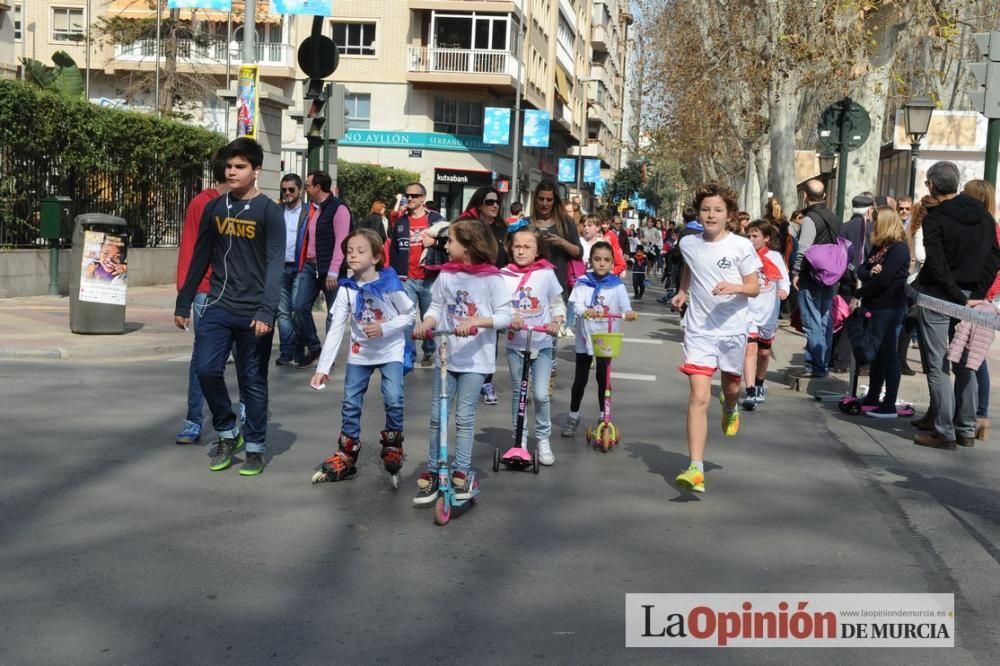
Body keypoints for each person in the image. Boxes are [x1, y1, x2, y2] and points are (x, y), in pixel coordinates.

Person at [174, 137, 284, 476]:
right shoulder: (215, 208)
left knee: (253, 380)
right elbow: (201, 256)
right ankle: (227, 430)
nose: (232, 171)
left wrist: (267, 311)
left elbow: (275, 263)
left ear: (256, 171)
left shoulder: (270, 211)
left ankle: (254, 447)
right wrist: (184, 299)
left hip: (254, 313)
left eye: (240, 167)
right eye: (229, 166)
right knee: (206, 369)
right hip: (218, 304)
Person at [412, 220, 512, 504]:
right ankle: (433, 471)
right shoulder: (447, 275)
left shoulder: (492, 278)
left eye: (451, 241)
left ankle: (460, 471)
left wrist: (478, 322)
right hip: (448, 355)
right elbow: (436, 306)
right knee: (437, 416)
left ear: (468, 247)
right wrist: (426, 323)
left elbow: (505, 315)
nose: (445, 246)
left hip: (476, 360)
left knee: (464, 418)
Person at [670, 182, 760, 493]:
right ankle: (695, 467)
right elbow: (691, 269)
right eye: (706, 209)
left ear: (729, 215)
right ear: (698, 213)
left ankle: (731, 406)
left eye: (717, 210)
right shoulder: (689, 244)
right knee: (698, 397)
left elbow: (754, 287)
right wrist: (683, 291)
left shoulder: (740, 246)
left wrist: (734, 287)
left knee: (732, 388)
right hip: (699, 330)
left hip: (732, 330)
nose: (711, 215)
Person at [309, 229, 416, 482]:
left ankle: (392, 444)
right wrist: (323, 367)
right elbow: (336, 328)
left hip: (390, 350)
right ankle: (346, 454)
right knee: (351, 402)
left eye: (360, 251)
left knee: (393, 397)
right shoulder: (347, 288)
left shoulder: (390, 284)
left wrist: (385, 328)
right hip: (361, 353)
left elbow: (409, 314)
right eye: (349, 251)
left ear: (376, 256)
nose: (353, 255)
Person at [914, 161, 1000, 450]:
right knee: (966, 363)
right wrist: (975, 292)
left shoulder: (935, 217)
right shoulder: (983, 215)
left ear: (932, 185)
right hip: (970, 295)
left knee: (938, 364)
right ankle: (964, 428)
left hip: (940, 295)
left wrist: (958, 295)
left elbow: (936, 262)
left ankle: (944, 431)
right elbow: (994, 256)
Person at [174, 152, 229, 445]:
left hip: (240, 292)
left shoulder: (251, 206)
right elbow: (190, 248)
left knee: (247, 360)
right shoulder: (202, 203)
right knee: (203, 358)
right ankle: (194, 419)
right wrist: (186, 294)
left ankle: (243, 417)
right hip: (207, 290)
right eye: (232, 166)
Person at [501, 224, 565, 465]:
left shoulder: (546, 273)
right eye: (517, 246)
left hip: (542, 342)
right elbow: (498, 307)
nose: (521, 251)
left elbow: (557, 303)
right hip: (516, 344)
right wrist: (509, 319)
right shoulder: (503, 275)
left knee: (540, 394)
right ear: (509, 248)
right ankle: (519, 440)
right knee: (520, 394)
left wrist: (556, 321)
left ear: (537, 250)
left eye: (527, 247)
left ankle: (543, 438)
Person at [560, 241, 635, 437]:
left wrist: (628, 313)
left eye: (606, 260)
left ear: (612, 263)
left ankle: (604, 414)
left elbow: (625, 306)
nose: (602, 263)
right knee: (581, 378)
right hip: (585, 335)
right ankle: (573, 415)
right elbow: (575, 305)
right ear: (590, 260)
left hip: (606, 336)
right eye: (597, 259)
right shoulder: (583, 281)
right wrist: (585, 312)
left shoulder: (616, 285)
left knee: (604, 376)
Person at [855, 206, 911, 418]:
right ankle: (873, 395)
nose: (873, 227)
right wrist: (870, 272)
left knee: (888, 353)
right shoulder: (880, 246)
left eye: (877, 223)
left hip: (889, 306)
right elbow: (861, 269)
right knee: (876, 353)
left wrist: (861, 291)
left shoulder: (899, 249)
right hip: (875, 305)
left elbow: (885, 280)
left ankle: (889, 403)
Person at [293, 170, 352, 369]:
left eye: (308, 185)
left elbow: (341, 241)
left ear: (318, 187)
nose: (306, 188)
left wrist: (334, 270)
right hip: (311, 267)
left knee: (333, 314)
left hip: (330, 269)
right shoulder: (315, 208)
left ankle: (329, 355)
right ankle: (315, 347)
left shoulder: (339, 208)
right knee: (300, 307)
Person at [455, 186, 509, 405]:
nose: (495, 205)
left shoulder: (501, 229)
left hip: (491, 285)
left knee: (490, 334)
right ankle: (462, 374)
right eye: (489, 202)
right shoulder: (465, 226)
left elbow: (504, 258)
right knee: (462, 330)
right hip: (467, 286)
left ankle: (487, 380)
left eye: (497, 202)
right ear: (479, 205)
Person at [388, 181, 447, 367]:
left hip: (430, 278)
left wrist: (434, 243)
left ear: (422, 198)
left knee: (431, 318)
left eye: (414, 196)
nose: (410, 199)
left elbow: (449, 244)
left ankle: (429, 352)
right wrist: (394, 275)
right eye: (408, 195)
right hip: (407, 279)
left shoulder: (436, 219)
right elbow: (394, 250)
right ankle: (408, 356)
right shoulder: (401, 221)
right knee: (407, 320)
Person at [791, 179, 843, 378]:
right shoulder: (835, 218)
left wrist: (796, 272)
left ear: (805, 197)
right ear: (824, 196)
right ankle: (822, 364)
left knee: (812, 322)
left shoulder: (810, 219)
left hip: (811, 275)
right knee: (824, 320)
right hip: (830, 276)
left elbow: (803, 249)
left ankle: (816, 365)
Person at [962, 179, 999, 440]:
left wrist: (982, 295)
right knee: (977, 356)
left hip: (980, 298)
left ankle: (978, 414)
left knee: (975, 357)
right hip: (987, 297)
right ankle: (979, 416)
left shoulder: (986, 229)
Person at [741, 220, 789, 411]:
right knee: (750, 350)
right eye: (749, 236)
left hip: (768, 312)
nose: (751, 240)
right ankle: (751, 391)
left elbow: (783, 280)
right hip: (749, 311)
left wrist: (784, 290)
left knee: (764, 352)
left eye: (755, 236)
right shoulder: (744, 255)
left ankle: (760, 383)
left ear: (766, 238)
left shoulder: (775, 256)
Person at [275, 173, 308, 366]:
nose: (287, 193)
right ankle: (286, 351)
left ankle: (299, 349)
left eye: (291, 190)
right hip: (279, 266)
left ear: (300, 190)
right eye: (284, 190)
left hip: (300, 267)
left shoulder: (308, 212)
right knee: (282, 312)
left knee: (297, 308)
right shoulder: (276, 211)